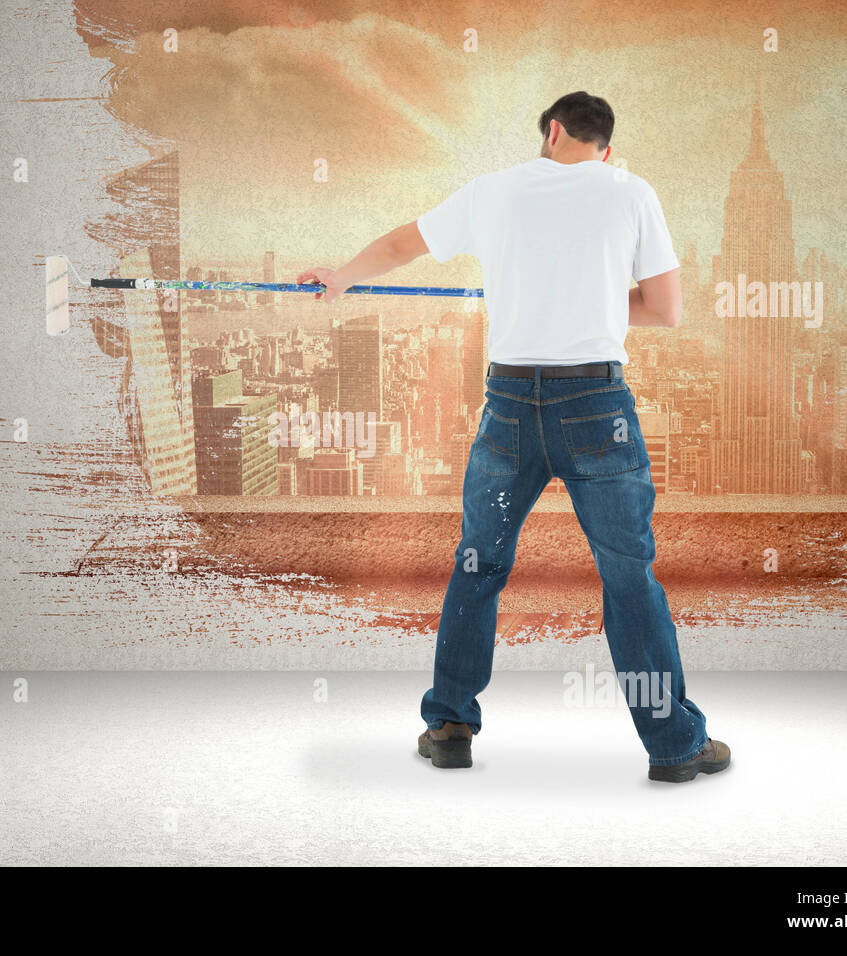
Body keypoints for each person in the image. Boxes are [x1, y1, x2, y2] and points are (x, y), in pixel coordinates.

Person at [297, 91, 730, 784]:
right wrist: (587, 301)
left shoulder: (493, 191)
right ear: (605, 148)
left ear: (551, 132)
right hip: (597, 409)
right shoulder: (631, 192)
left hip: (508, 405)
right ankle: (675, 747)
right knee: (628, 579)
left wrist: (342, 277)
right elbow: (667, 311)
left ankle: (448, 725)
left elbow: (405, 243)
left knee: (479, 562)